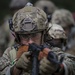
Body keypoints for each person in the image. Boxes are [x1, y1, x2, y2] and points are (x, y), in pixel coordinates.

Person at [0, 3, 75, 75]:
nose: (30, 41)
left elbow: (71, 64)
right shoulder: (10, 53)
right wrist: (16, 68)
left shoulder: (53, 52)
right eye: (24, 36)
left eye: (34, 35)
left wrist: (58, 68)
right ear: (17, 36)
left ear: (44, 33)